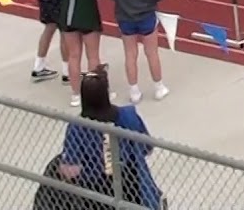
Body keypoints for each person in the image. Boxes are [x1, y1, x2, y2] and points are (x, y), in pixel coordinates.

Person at [58, 69, 165, 208]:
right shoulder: (128, 115)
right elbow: (147, 149)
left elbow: (71, 170)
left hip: (95, 192)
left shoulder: (78, 127)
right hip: (133, 184)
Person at [108, 0, 169, 104]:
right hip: (146, 15)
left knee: (130, 54)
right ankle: (159, 87)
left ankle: (134, 91)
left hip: (125, 17)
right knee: (152, 52)